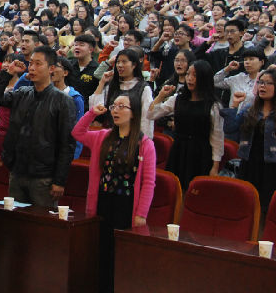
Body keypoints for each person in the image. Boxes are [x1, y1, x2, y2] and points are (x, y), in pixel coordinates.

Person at [72, 93, 156, 293]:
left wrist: (141, 214)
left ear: (133, 113)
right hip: (103, 203)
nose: (116, 110)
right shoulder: (103, 136)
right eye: (114, 106)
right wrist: (92, 113)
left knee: (121, 259)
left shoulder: (145, 144)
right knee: (100, 255)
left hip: (126, 207)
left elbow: (148, 182)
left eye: (122, 106)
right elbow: (77, 132)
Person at [0, 46, 77, 207]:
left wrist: (59, 181)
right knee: (15, 217)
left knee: (41, 220)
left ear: (51, 68)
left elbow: (67, 144)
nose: (32, 68)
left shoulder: (63, 101)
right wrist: (8, 73)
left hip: (44, 176)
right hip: (17, 171)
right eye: (31, 63)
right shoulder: (22, 93)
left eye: (38, 63)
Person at [147, 60, 224, 188]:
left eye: (195, 75)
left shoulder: (213, 106)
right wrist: (161, 96)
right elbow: (151, 115)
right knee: (175, 188)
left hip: (201, 153)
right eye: (188, 74)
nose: (190, 78)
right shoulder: (178, 99)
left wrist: (215, 167)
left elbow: (217, 138)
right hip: (179, 150)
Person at [223, 70, 276, 213]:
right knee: (246, 204)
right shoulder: (249, 109)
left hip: (271, 167)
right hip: (249, 163)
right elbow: (230, 128)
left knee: (267, 207)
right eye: (261, 82)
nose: (262, 86)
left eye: (268, 83)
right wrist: (234, 105)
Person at [91, 48, 154, 138]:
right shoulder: (112, 85)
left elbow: (146, 118)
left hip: (133, 137)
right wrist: (102, 82)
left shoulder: (143, 88)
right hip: (112, 134)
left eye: (124, 62)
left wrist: (144, 140)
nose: (120, 65)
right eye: (118, 62)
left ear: (134, 65)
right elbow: (96, 108)